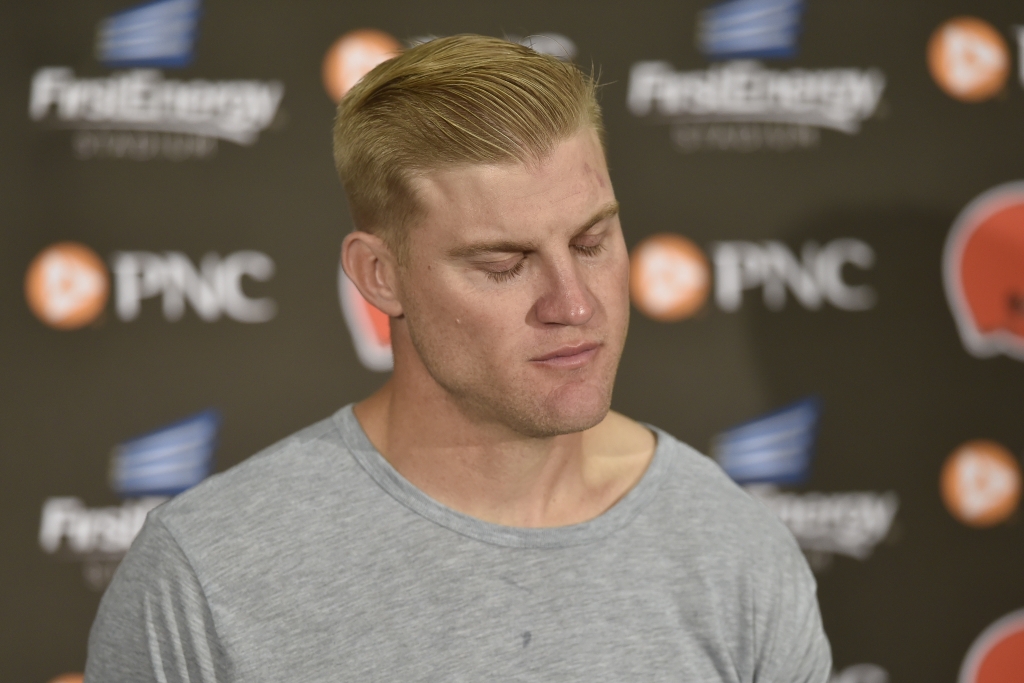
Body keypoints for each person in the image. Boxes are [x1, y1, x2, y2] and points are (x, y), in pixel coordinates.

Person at [85, 34, 832, 682]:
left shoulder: (736, 552)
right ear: (381, 275)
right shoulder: (206, 572)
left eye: (592, 241)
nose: (574, 304)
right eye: (504, 263)